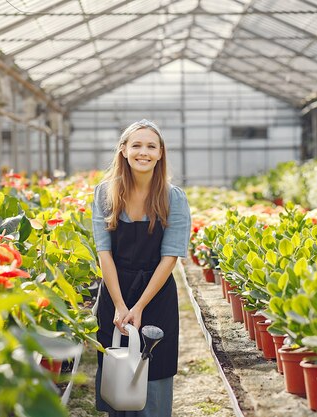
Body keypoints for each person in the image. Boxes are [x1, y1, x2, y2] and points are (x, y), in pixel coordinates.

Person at [92, 119, 191, 417]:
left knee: (154, 373)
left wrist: (139, 306)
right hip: (114, 291)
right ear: (123, 150)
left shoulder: (174, 198)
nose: (143, 152)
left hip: (156, 295)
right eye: (136, 145)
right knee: (116, 369)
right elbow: (103, 252)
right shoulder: (104, 193)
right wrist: (121, 306)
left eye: (151, 146)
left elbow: (169, 258)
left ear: (161, 153)